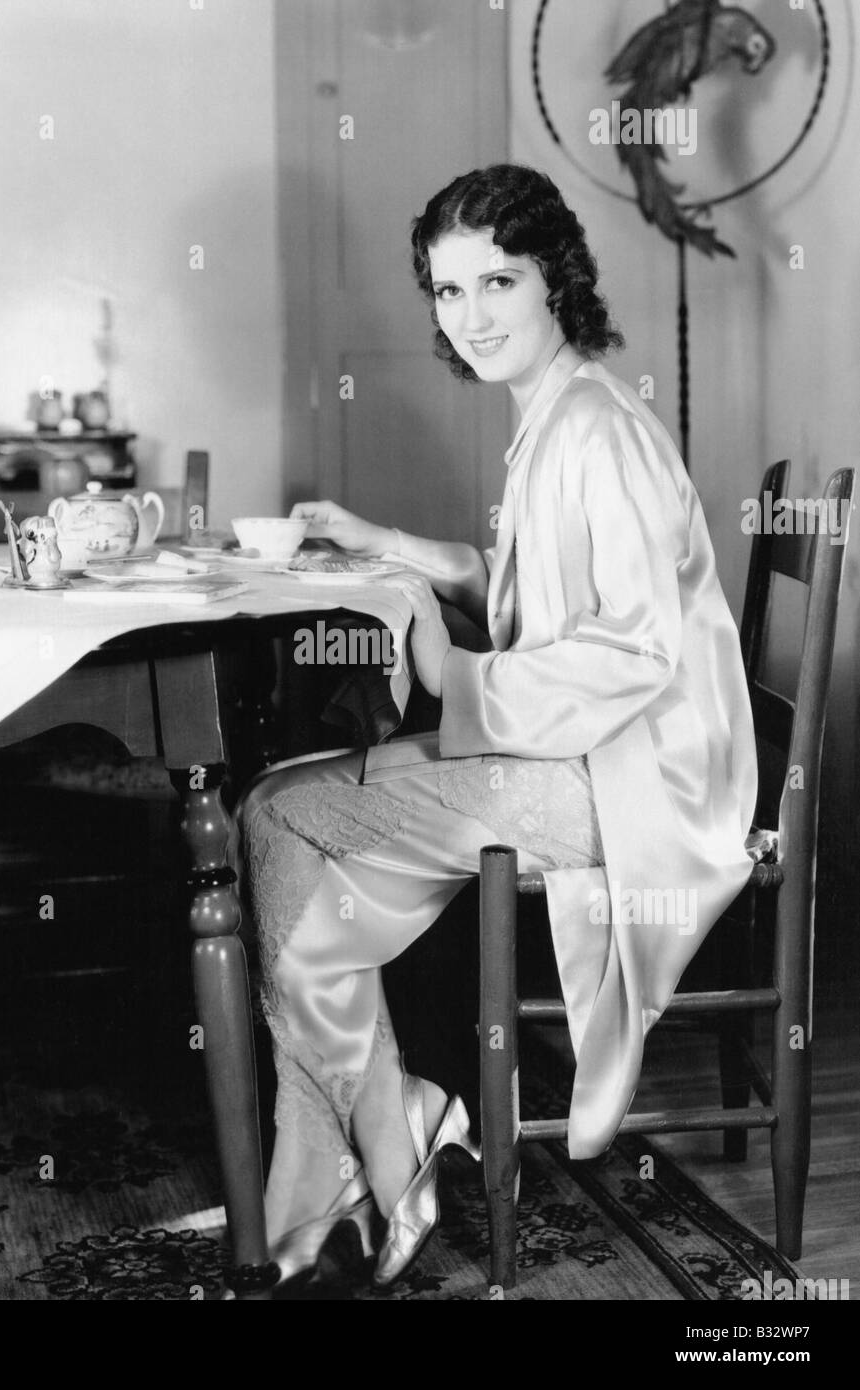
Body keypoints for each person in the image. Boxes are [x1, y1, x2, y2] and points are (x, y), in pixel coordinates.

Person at [237, 164, 757, 1289]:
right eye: (445, 290)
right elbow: (538, 591)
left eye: (496, 282)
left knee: (283, 817)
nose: (467, 318)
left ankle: (368, 1139)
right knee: (278, 809)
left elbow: (632, 651)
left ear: (553, 281)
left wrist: (454, 672)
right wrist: (395, 544)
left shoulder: (597, 431)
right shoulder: (558, 413)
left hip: (632, 781)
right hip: (584, 754)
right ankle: (351, 1151)